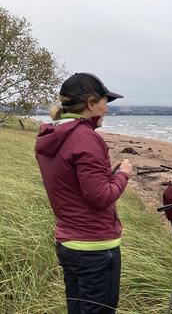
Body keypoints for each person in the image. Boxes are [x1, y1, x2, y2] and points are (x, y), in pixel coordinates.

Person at [35, 72, 133, 314]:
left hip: (69, 242)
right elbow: (100, 197)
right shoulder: (86, 138)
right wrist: (123, 174)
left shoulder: (53, 135)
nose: (107, 110)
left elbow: (71, 183)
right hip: (95, 247)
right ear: (91, 104)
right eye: (104, 103)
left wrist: (105, 175)